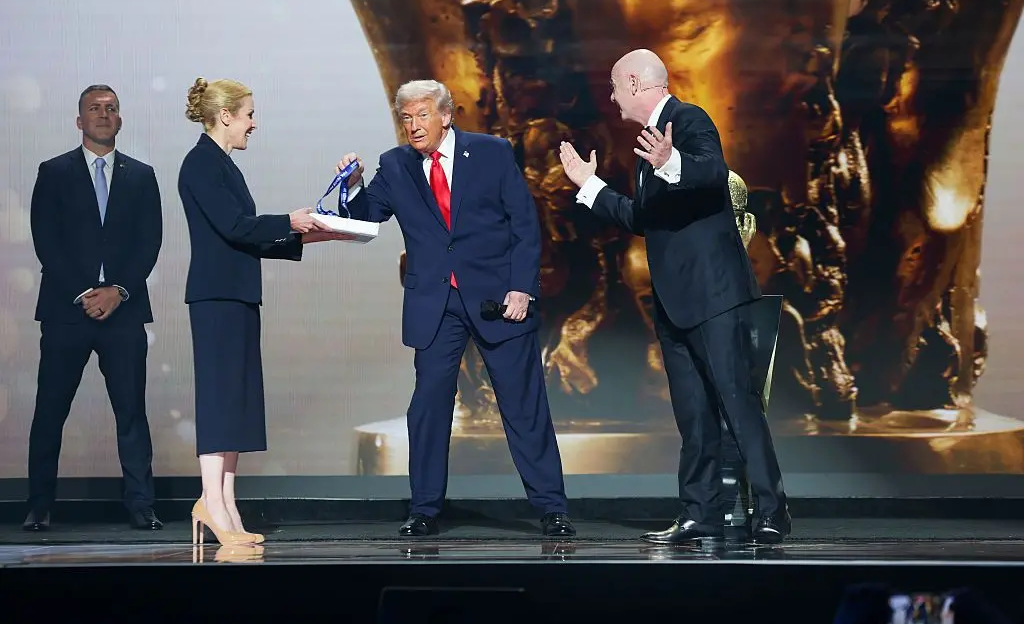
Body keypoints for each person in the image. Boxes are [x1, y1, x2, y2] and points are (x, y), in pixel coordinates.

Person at [558, 49, 791, 544]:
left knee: (737, 404)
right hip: (674, 300)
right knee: (692, 413)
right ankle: (698, 513)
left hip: (715, 295)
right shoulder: (646, 145)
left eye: (616, 86)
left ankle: (771, 511)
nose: (612, 96)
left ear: (639, 84)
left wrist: (671, 160)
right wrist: (589, 185)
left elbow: (712, 173)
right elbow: (642, 218)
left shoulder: (688, 120)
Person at [340, 79, 575, 538]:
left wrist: (522, 288)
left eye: (422, 115)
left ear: (446, 115)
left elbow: (525, 224)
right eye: (405, 118)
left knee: (523, 405)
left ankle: (552, 508)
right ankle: (424, 508)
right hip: (436, 303)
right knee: (427, 407)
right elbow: (364, 219)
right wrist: (352, 187)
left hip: (496, 299)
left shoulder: (490, 152)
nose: (413, 126)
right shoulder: (395, 165)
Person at [178, 77, 353, 545]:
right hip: (216, 297)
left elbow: (249, 236)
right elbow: (236, 227)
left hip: (236, 294)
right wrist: (290, 222)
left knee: (235, 402)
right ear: (226, 115)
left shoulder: (224, 166)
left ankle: (225, 504)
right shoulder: (200, 164)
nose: (254, 124)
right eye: (249, 114)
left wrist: (316, 234)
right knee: (219, 399)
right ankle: (211, 503)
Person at [25, 84, 163, 532]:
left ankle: (141, 505)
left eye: (111, 109)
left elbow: (150, 242)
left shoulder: (142, 176)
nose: (104, 114)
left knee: (131, 413)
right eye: (94, 109)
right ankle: (39, 506)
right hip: (67, 312)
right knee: (50, 410)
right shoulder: (54, 172)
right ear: (79, 120)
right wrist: (86, 292)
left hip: (124, 312)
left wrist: (117, 290)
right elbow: (47, 241)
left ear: (120, 120)